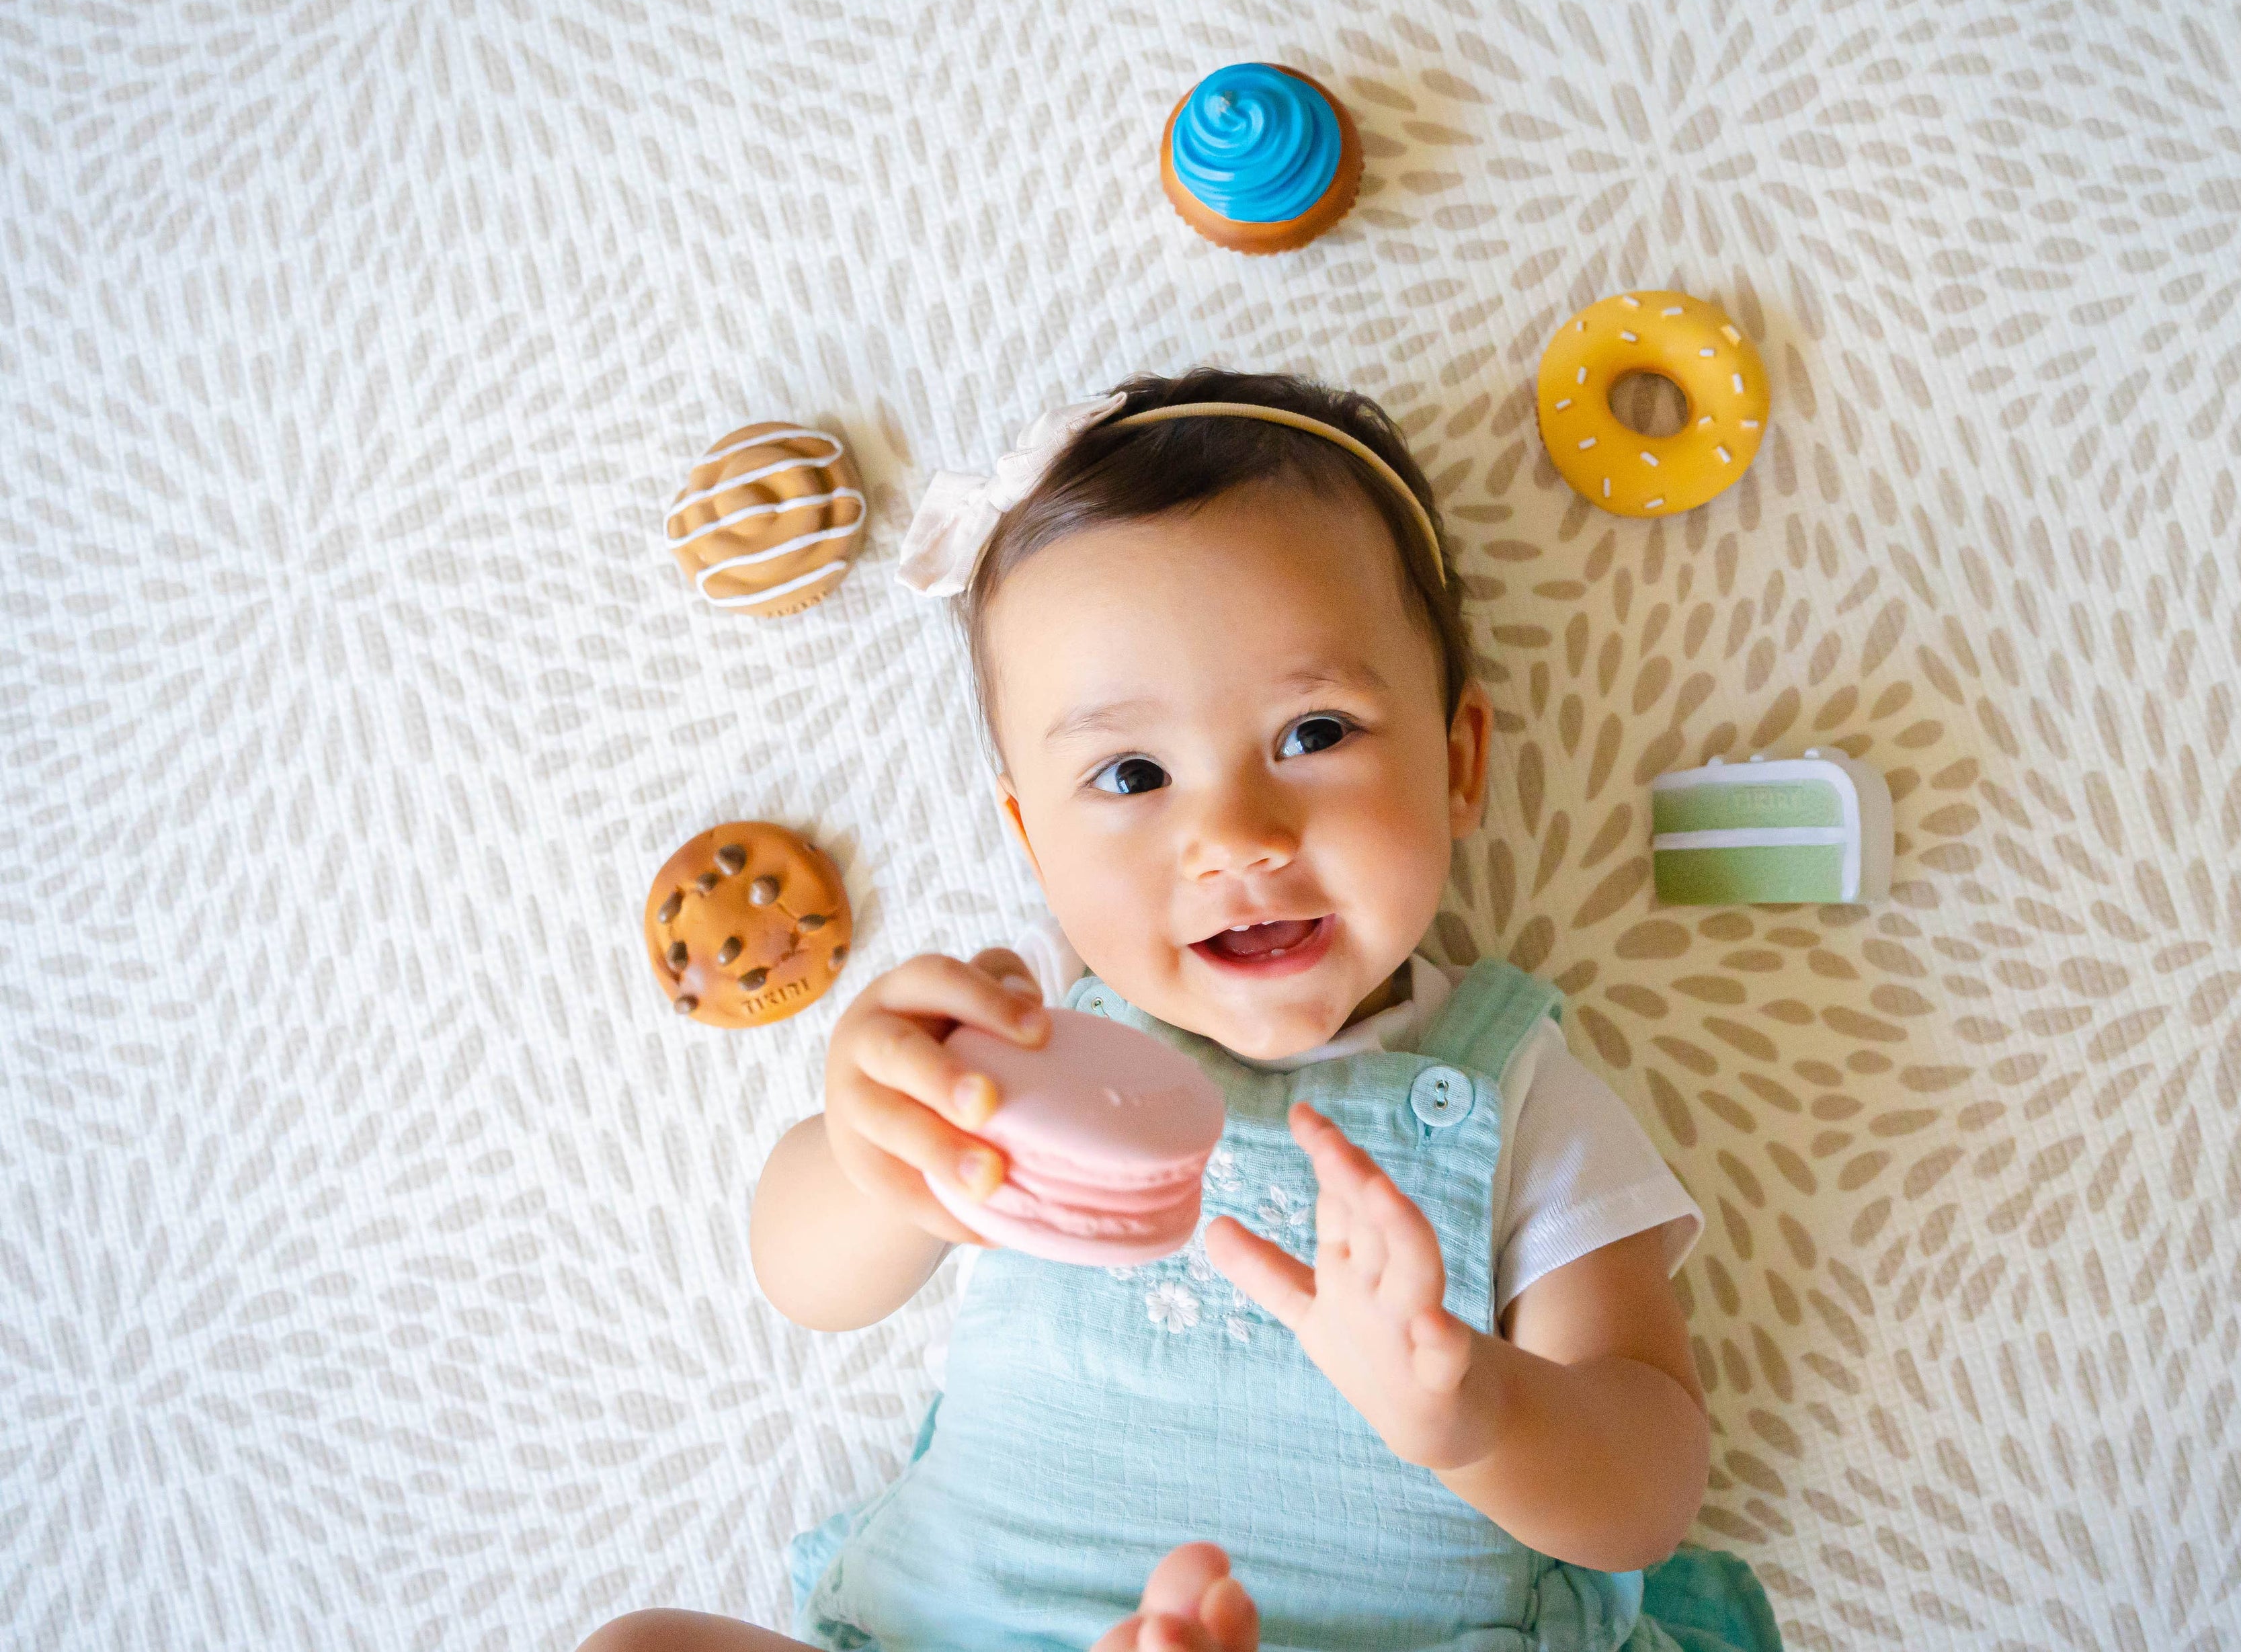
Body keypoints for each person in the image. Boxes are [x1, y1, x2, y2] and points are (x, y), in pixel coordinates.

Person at [582, 370, 1779, 1652]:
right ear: (1032, 840)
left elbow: (1648, 1489)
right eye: (1133, 772)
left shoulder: (1517, 1094)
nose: (1235, 834)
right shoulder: (1018, 1063)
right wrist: (883, 1150)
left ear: (1460, 760)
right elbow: (802, 1281)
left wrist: (1475, 1410)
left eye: (1315, 732)